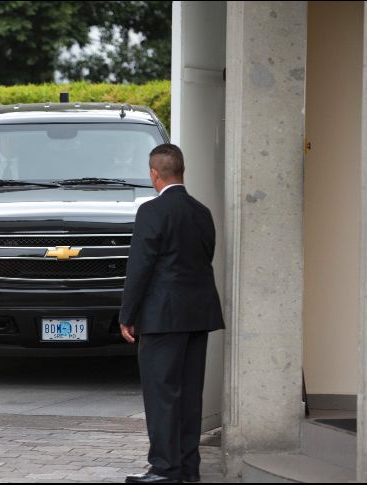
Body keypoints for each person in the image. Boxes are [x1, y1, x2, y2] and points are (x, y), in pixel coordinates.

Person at [119, 144, 225, 484]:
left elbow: (140, 268)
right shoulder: (202, 212)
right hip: (198, 315)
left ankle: (164, 469)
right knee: (190, 395)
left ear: (154, 174)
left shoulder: (151, 212)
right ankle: (187, 468)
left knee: (163, 394)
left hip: (162, 318)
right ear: (182, 171)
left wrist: (127, 314)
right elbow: (205, 256)